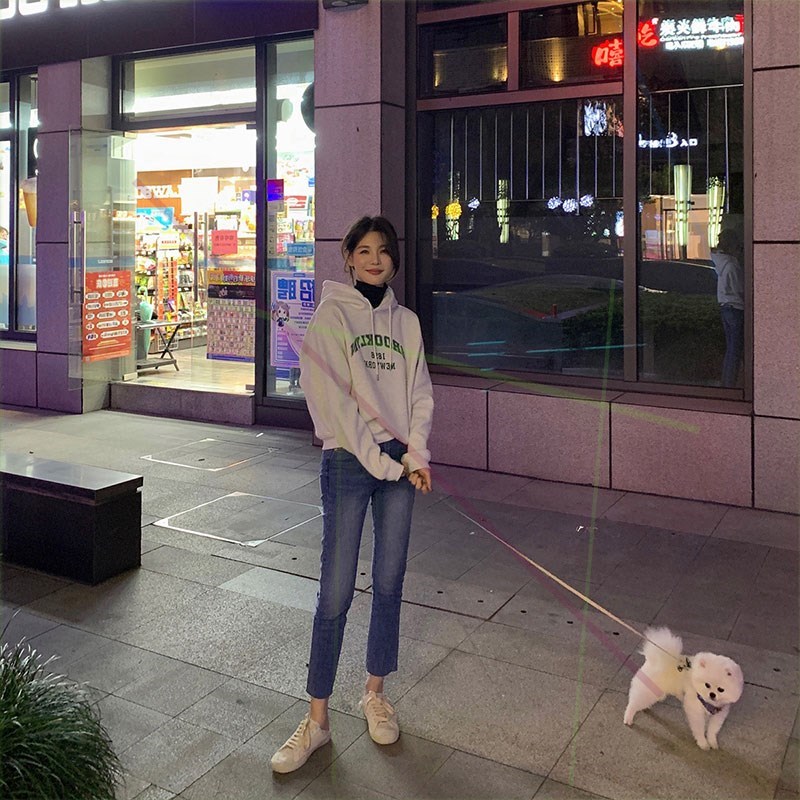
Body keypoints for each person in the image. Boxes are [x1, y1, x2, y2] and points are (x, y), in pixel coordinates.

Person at [270, 216, 434, 774]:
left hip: (398, 461)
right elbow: (332, 404)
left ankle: (375, 692)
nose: (374, 259)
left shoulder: (406, 323)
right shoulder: (331, 316)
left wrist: (415, 455)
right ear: (348, 257)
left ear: (393, 259)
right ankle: (316, 720)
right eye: (364, 250)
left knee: (389, 581)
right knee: (336, 590)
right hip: (347, 460)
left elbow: (420, 392)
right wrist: (383, 463)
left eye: (383, 250)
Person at [710, 228, 744, 388]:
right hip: (736, 308)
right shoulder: (731, 265)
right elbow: (739, 289)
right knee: (735, 349)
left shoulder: (719, 262)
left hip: (725, 307)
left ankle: (727, 383)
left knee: (731, 348)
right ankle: (730, 384)